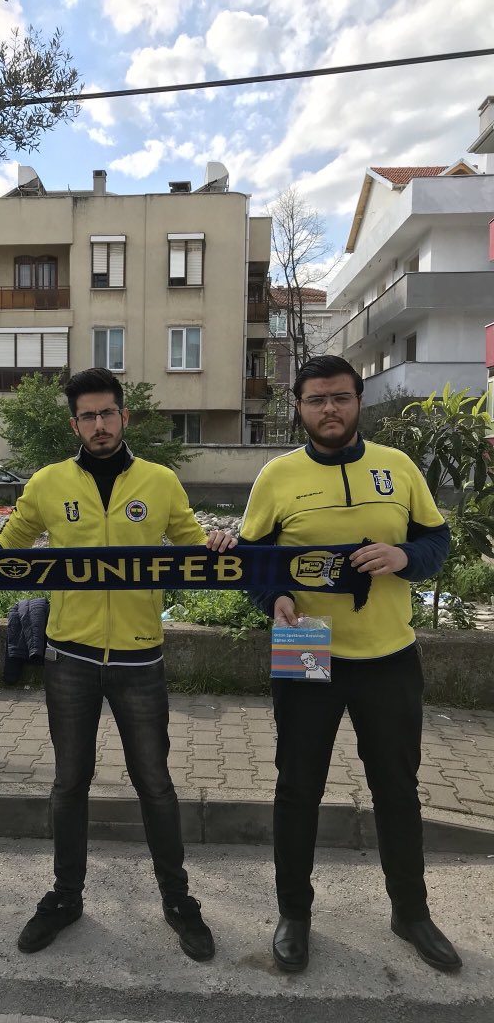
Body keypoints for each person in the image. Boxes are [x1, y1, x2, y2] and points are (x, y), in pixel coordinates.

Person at [0, 367, 234, 961]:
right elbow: (11, 542)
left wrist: (217, 544)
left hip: (140, 658)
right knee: (69, 783)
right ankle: (66, 897)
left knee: (155, 784)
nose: (99, 424)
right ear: (74, 424)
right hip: (70, 659)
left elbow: (191, 543)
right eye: (88, 416)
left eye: (108, 413)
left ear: (124, 417)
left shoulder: (160, 481)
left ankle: (177, 900)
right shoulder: (48, 482)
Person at [236, 354, 460, 973]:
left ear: (358, 401)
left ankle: (410, 912)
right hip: (306, 643)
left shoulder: (398, 467)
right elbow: (251, 560)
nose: (328, 409)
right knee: (297, 787)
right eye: (316, 399)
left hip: (388, 654)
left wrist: (404, 557)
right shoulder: (276, 476)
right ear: (299, 408)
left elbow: (437, 540)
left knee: (397, 789)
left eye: (339, 397)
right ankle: (294, 914)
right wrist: (272, 598)